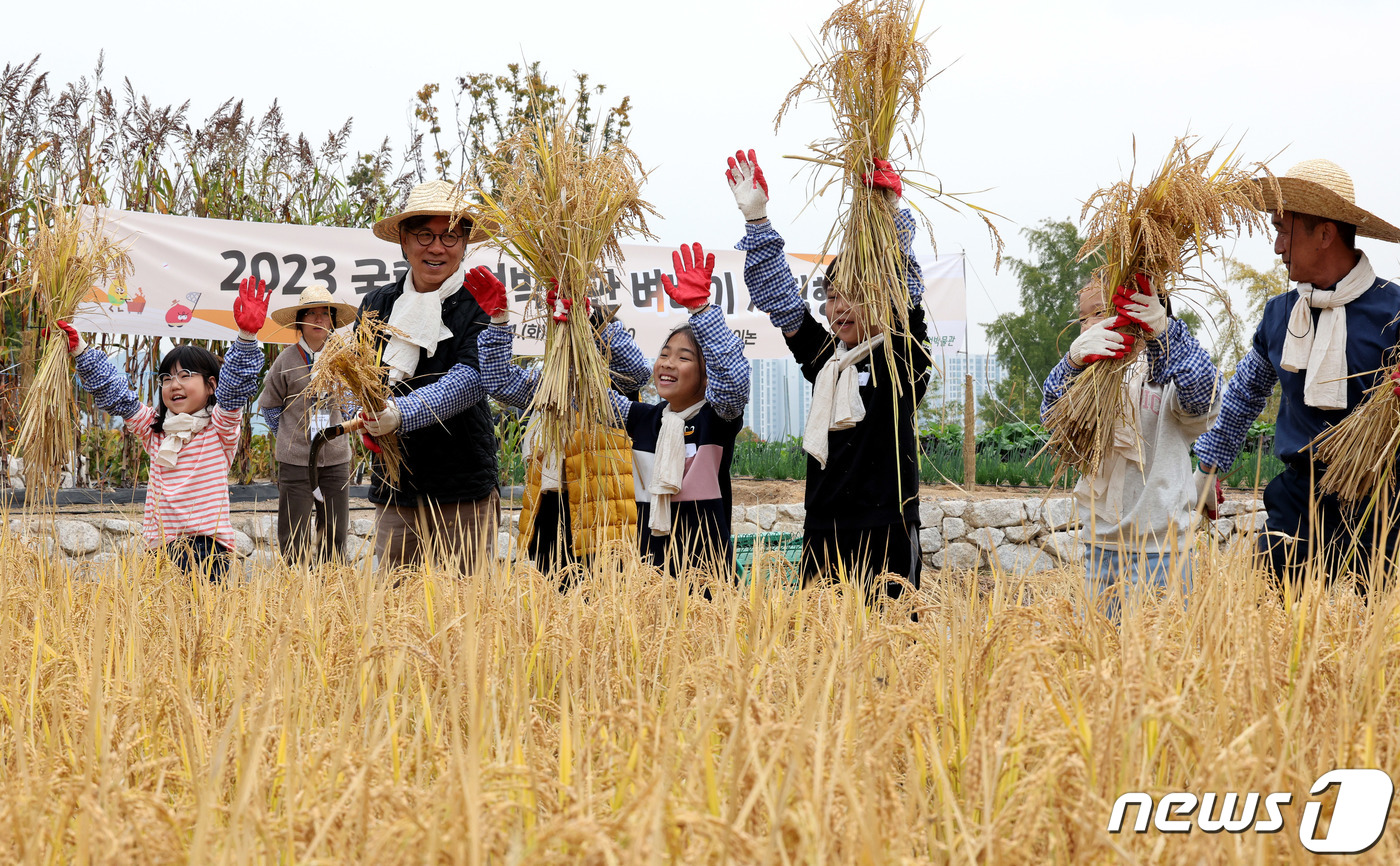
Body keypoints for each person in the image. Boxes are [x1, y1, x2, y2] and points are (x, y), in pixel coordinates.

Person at [474, 243, 750, 574]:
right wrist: (501, 322)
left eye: (684, 357)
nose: (667, 363)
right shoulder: (643, 419)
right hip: (648, 578)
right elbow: (552, 393)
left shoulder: (716, 421)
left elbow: (732, 382)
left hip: (707, 578)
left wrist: (702, 311)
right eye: (664, 354)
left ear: (708, 376)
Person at [729, 149, 930, 599]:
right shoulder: (828, 362)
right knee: (821, 654)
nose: (839, 306)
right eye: (833, 295)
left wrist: (885, 212)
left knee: (891, 653)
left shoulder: (901, 358)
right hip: (823, 527)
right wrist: (758, 221)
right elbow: (785, 305)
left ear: (882, 298)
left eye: (855, 294)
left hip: (886, 528)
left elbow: (906, 293)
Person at [1193, 159, 1400, 591]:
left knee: (1378, 631)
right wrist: (1206, 471)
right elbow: (1244, 395)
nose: (1276, 247)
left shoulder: (1393, 313)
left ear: (1325, 234)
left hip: (1381, 503)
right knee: (1273, 618)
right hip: (1298, 500)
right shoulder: (1281, 314)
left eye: (1283, 230)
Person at [56, 278, 270, 580]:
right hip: (161, 550)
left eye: (185, 374)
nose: (175, 384)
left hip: (208, 550)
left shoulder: (219, 428)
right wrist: (81, 352)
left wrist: (247, 337)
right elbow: (118, 395)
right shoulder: (156, 432)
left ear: (211, 386)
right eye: (166, 378)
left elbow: (234, 389)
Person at [1041, 278, 1221, 621]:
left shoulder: (1168, 373)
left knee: (1161, 661)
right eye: (1083, 318)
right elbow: (1054, 421)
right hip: (1102, 548)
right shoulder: (1086, 380)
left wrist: (1164, 332)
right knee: (1099, 658)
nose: (1090, 325)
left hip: (1163, 549)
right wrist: (1073, 361)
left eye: (1100, 312)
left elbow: (1203, 398)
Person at [467, 268, 652, 574]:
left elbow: (638, 372)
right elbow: (499, 382)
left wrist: (587, 318)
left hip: (603, 518)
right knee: (553, 609)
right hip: (551, 510)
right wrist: (499, 321)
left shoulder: (610, 385)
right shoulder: (550, 385)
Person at [355, 179, 500, 569]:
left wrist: (400, 414)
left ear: (465, 244)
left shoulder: (480, 301)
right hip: (397, 484)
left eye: (451, 236)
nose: (437, 247)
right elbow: (361, 375)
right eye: (424, 234)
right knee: (393, 608)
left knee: (471, 612)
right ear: (404, 240)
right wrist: (368, 415)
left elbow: (472, 378)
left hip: (464, 485)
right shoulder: (378, 304)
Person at [258, 283, 359, 563]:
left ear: (332, 321)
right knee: (294, 535)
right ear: (300, 322)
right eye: (311, 314)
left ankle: (330, 591)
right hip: (296, 462)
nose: (319, 319)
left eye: (325, 314)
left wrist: (340, 432)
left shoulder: (343, 359)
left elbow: (351, 404)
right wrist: (289, 438)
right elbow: (270, 407)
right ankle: (296, 593)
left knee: (336, 534)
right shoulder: (285, 360)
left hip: (336, 460)